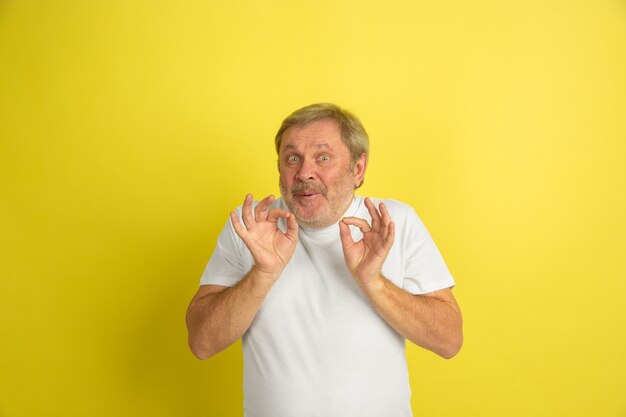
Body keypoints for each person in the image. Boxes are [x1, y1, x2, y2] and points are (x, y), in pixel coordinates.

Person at [186, 103, 463, 417]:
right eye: (293, 158)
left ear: (357, 169)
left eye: (323, 157)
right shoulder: (251, 226)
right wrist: (262, 273)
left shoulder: (393, 222)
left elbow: (449, 341)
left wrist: (374, 283)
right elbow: (202, 343)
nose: (304, 173)